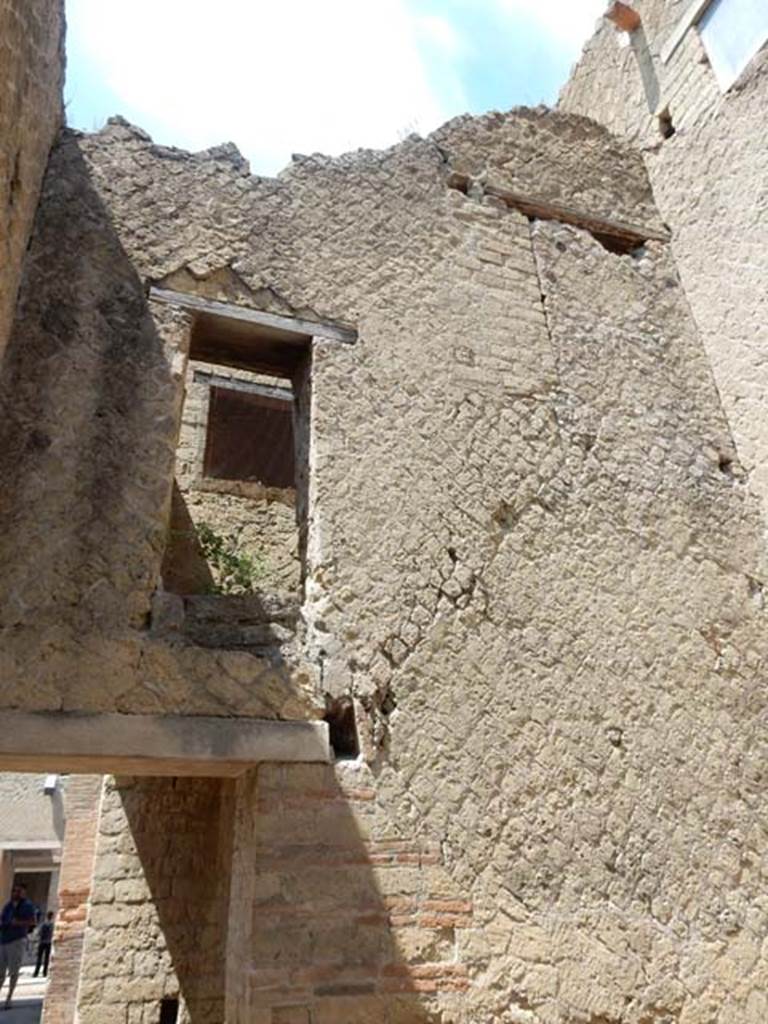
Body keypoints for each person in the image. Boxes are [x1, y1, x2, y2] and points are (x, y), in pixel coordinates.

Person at [0, 883, 37, 1010]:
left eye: (18, 891)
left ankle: (9, 998)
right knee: (0, 971)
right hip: (4, 940)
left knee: (13, 971)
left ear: (23, 893)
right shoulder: (8, 906)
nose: (15, 893)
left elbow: (32, 922)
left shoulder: (27, 906)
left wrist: (18, 923)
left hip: (16, 940)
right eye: (14, 891)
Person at [34, 912, 54, 979]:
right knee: (46, 958)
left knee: (39, 958)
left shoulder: (42, 924)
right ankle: (45, 973)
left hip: (41, 942)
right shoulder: (52, 925)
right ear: (51, 917)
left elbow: (38, 933)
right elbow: (52, 934)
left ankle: (36, 973)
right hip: (48, 943)